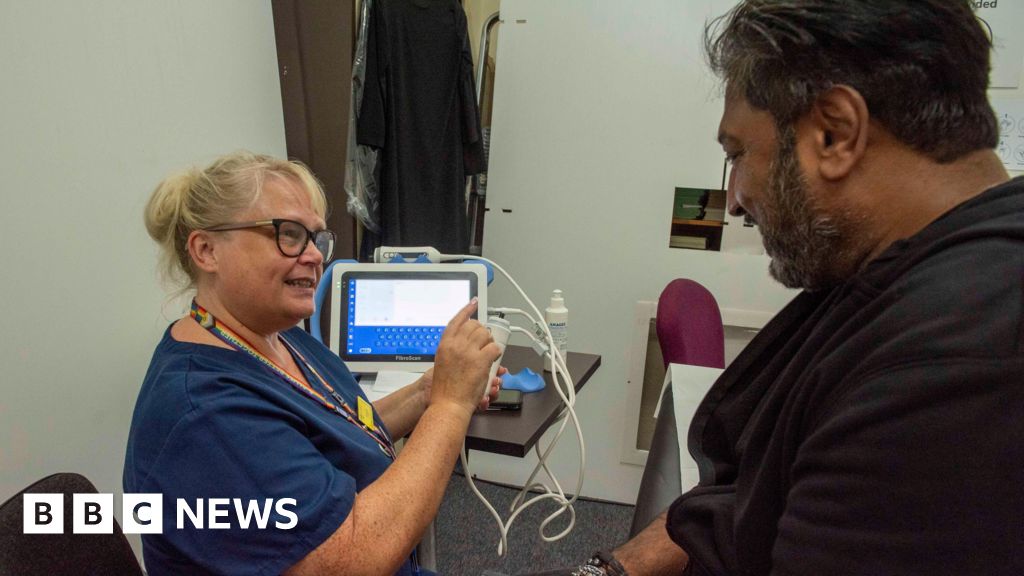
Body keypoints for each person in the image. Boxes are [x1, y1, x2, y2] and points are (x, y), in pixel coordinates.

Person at [537, 1, 1024, 575]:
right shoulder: (895, 272)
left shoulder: (953, 367)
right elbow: (749, 504)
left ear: (836, 133)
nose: (736, 198)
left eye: (738, 154)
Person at [124, 151, 504, 575]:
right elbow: (353, 560)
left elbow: (336, 430)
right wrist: (451, 405)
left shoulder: (279, 337)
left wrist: (425, 393)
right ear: (207, 249)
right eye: (289, 234)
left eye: (317, 238)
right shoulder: (204, 414)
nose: (313, 256)